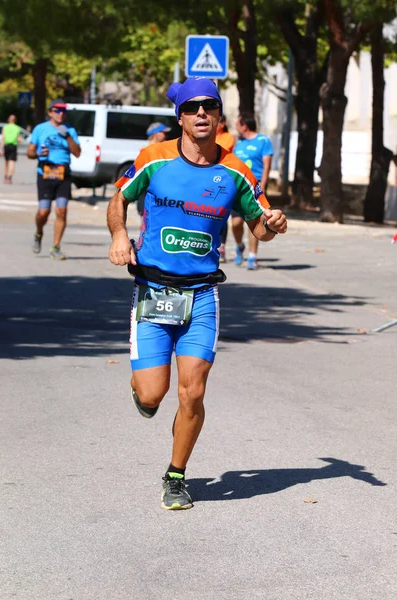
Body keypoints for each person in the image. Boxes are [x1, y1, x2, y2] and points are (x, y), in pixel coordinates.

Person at [107, 77, 287, 511]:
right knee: (153, 394)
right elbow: (119, 198)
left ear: (219, 115)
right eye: (193, 108)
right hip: (152, 289)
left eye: (210, 106)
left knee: (193, 393)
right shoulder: (154, 158)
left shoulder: (235, 171)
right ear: (181, 117)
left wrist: (272, 227)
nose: (202, 113)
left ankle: (175, 475)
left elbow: (259, 223)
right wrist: (119, 235)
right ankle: (144, 391)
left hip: (202, 295)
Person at [27, 99, 81, 260]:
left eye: (63, 111)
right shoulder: (40, 129)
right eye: (57, 110)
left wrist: (68, 137)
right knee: (44, 211)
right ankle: (38, 233)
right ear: (50, 112)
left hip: (63, 173)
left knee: (61, 210)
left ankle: (56, 246)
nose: (61, 113)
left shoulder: (70, 130)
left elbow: (77, 152)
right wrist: (38, 153)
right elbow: (29, 152)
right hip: (45, 173)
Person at [232, 113, 274, 270]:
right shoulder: (239, 143)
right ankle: (239, 246)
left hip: (255, 188)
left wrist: (262, 185)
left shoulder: (263, 141)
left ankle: (252, 256)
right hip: (238, 188)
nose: (236, 127)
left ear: (244, 126)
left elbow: (266, 165)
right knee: (236, 223)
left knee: (254, 221)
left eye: (237, 124)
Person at [136, 122, 171, 220]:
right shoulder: (146, 151)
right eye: (164, 133)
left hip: (161, 192)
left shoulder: (163, 150)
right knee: (145, 223)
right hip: (147, 192)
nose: (166, 136)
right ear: (156, 134)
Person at [215, 115, 236, 262]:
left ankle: (222, 246)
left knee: (222, 214)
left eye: (219, 121)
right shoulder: (209, 136)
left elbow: (222, 152)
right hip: (208, 177)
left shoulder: (228, 137)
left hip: (223, 177)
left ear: (223, 123)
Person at [0, 115, 22, 184]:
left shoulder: (5, 127)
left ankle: (5, 176)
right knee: (12, 162)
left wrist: (1, 149)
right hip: (13, 146)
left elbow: (2, 138)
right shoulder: (17, 128)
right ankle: (9, 177)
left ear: (8, 120)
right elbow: (19, 140)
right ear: (15, 120)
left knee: (6, 162)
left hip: (6, 145)